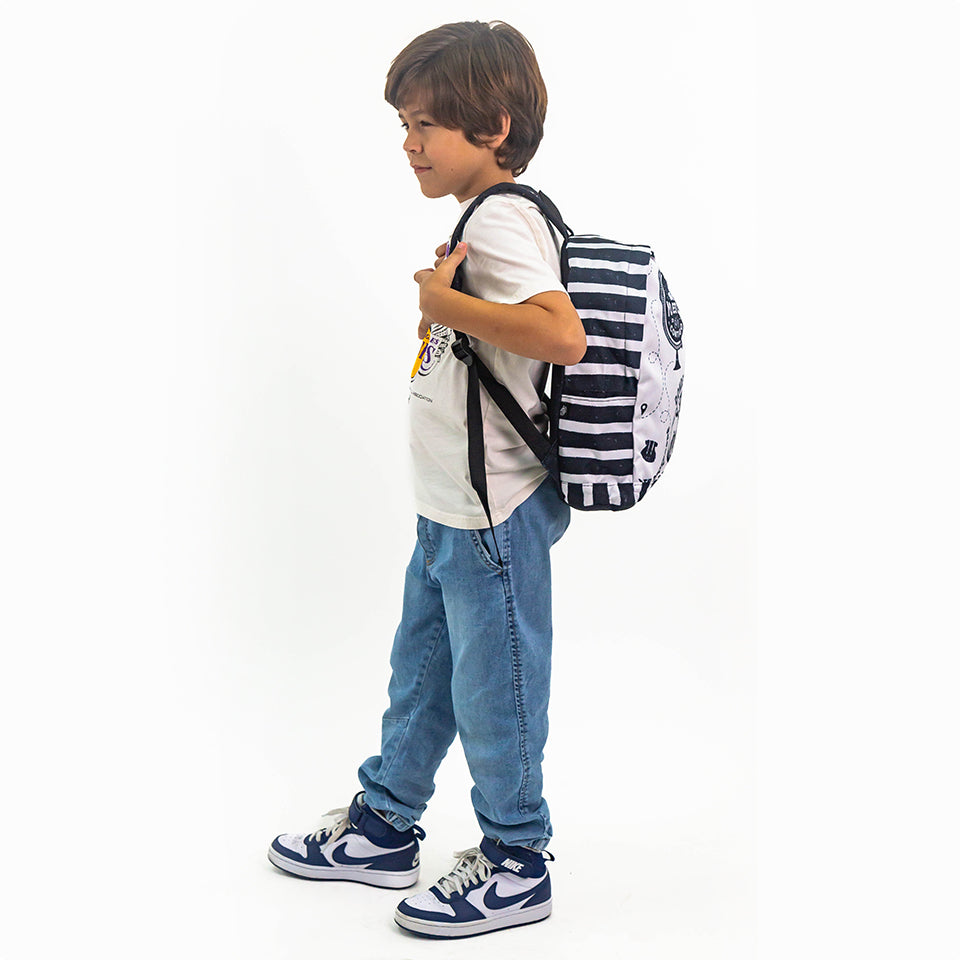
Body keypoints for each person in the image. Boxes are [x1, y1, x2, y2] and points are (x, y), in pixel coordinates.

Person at [267, 20, 586, 939]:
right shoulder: (481, 219)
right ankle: (385, 825)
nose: (409, 143)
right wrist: (448, 315)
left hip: (495, 511)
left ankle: (518, 860)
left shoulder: (504, 218)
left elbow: (561, 334)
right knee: (425, 670)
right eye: (403, 125)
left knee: (497, 687)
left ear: (493, 126)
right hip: (453, 505)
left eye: (425, 125)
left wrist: (444, 302)